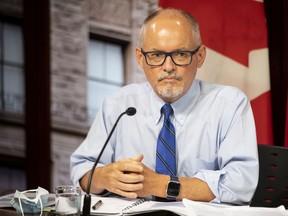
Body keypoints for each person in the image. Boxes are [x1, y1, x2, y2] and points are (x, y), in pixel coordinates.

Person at [70, 8, 259, 205]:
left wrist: (159, 185)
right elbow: (81, 171)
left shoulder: (230, 104)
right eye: (156, 55)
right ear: (141, 58)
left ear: (200, 56)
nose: (168, 66)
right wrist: (104, 177)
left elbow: (241, 184)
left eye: (181, 54)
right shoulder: (118, 104)